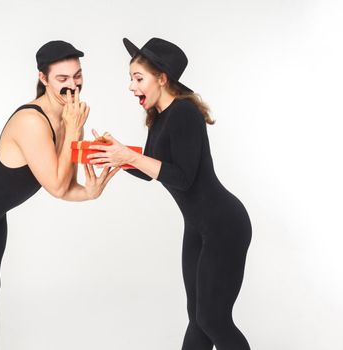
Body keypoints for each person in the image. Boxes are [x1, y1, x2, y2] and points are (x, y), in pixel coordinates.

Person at [0, 40, 119, 350]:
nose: (72, 86)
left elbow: (63, 183)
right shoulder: (32, 122)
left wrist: (88, 193)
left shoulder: (65, 117)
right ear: (43, 78)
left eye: (77, 76)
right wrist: (74, 131)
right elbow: (58, 185)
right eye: (62, 79)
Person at [88, 37, 252, 350]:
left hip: (224, 226)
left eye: (138, 78)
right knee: (198, 316)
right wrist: (116, 154)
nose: (131, 87)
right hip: (198, 227)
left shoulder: (184, 114)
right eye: (131, 79)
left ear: (162, 79)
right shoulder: (160, 116)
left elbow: (183, 178)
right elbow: (152, 170)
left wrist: (130, 156)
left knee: (214, 319)